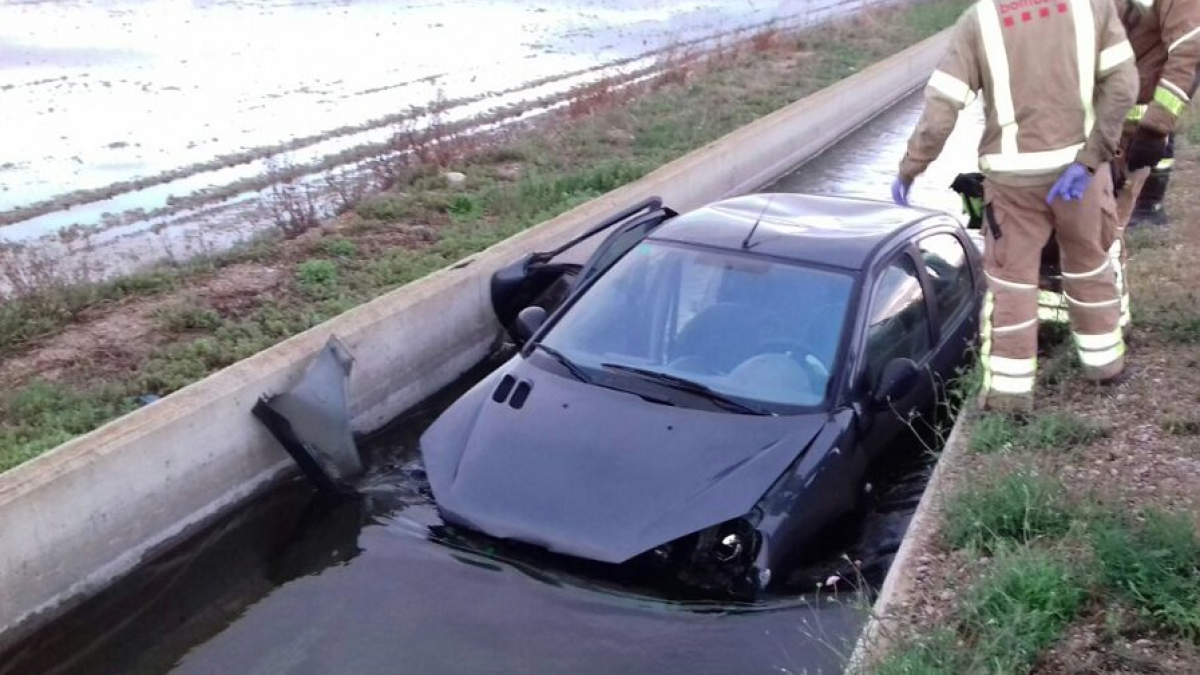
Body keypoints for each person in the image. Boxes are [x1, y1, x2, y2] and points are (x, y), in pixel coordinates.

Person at [890, 0, 1138, 413]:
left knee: (1013, 284)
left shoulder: (979, 20)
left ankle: (1009, 397)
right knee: (1090, 264)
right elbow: (1124, 84)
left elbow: (940, 113)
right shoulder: (1093, 7)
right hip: (1079, 176)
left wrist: (910, 168)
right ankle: (1105, 366)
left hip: (1011, 184)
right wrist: (1093, 156)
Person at [1042, 0, 1200, 333]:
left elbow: (1189, 53)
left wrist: (1156, 127)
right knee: (1059, 226)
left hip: (1128, 133)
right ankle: (1059, 319)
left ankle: (1106, 326)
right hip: (1083, 122)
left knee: (1102, 231)